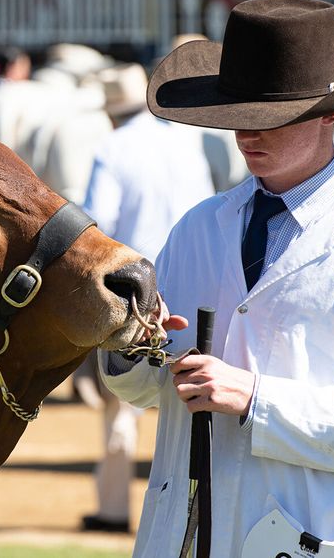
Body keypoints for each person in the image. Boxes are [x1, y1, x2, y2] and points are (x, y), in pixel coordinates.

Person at [99, 0, 334, 556]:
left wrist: (256, 398)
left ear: (331, 113)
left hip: (312, 543)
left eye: (271, 116)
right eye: (237, 111)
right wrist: (133, 349)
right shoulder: (197, 229)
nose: (246, 134)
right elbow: (151, 392)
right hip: (184, 538)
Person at [75, 58, 215, 533]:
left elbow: (98, 222)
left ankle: (114, 510)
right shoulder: (187, 142)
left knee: (122, 405)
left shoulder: (113, 147)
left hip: (137, 292)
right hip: (196, 282)